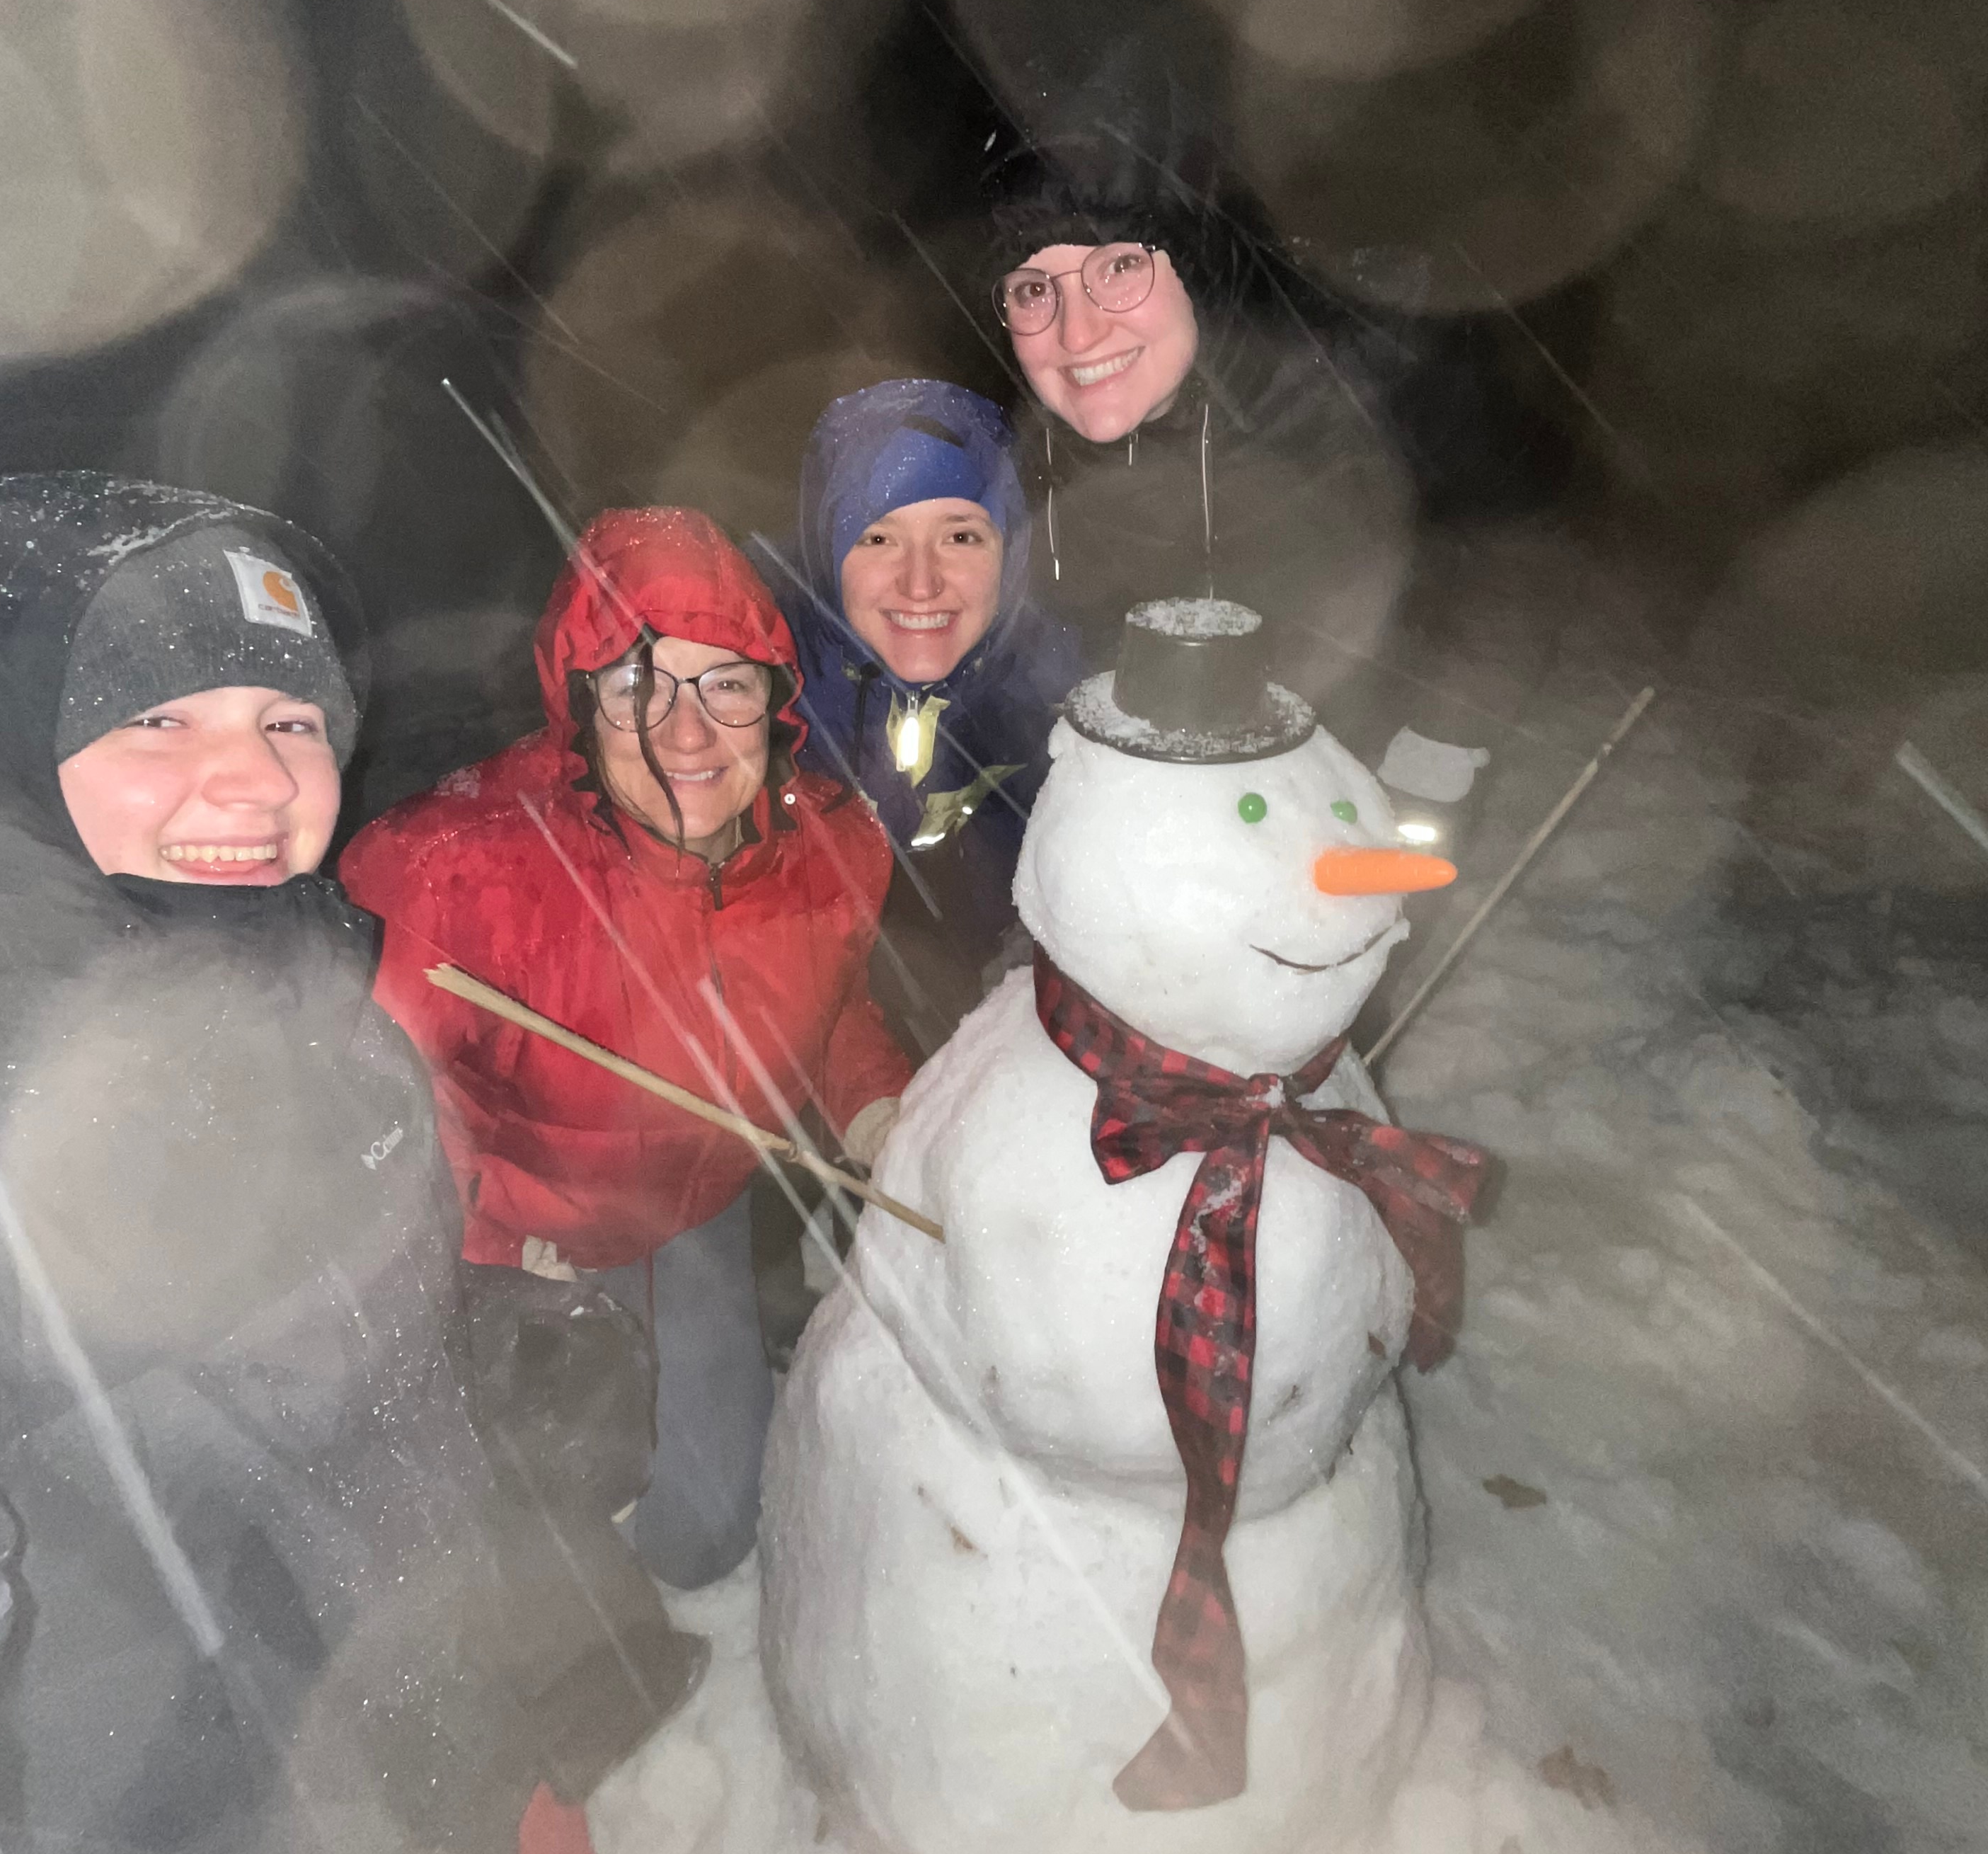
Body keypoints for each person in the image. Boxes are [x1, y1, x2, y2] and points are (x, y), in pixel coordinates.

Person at [0, 473, 701, 1854]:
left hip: (354, 1804)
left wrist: (476, 1366)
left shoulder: (292, 986)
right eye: (155, 717)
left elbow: (267, 1341)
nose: (247, 777)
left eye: (288, 717)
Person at [342, 506, 911, 1593]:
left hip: (693, 1216)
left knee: (702, 1538)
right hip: (507, 1240)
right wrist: (483, 1258)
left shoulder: (830, 845)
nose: (685, 734)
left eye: (725, 683)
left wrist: (881, 1110)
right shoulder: (453, 877)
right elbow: (381, 1121)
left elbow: (834, 1008)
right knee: (525, 1548)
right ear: (579, 705)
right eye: (638, 684)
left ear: (775, 700)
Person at [985, 116, 1415, 673]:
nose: (1077, 334)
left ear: (1196, 275)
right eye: (1034, 290)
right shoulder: (1005, 478)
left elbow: (1504, 553)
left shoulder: (1341, 410)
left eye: (1119, 266)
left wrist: (1439, 744)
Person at [764, 377, 1079, 1057]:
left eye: (960, 536)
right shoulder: (753, 690)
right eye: (878, 539)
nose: (920, 583)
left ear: (1012, 549)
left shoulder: (1062, 700)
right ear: (827, 549)